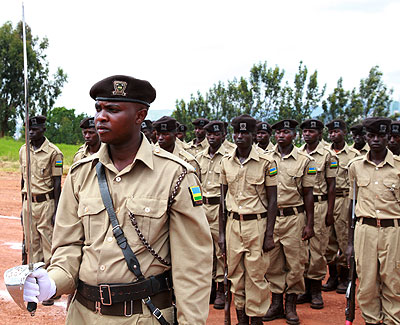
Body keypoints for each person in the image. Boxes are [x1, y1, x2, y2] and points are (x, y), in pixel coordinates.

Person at [23, 75, 213, 324]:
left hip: (142, 317)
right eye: (98, 109)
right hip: (83, 315)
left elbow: (192, 266)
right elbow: (67, 248)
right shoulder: (81, 174)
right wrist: (52, 282)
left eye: (113, 110)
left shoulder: (175, 175)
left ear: (139, 116)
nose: (100, 117)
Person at [219, 114, 278, 325]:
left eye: (245, 133)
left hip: (257, 225)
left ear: (254, 135)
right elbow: (222, 201)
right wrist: (221, 234)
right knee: (235, 275)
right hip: (233, 224)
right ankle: (242, 317)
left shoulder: (267, 162)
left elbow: (273, 201)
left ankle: (256, 319)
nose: (240, 136)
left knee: (256, 275)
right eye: (237, 132)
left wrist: (269, 234)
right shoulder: (226, 162)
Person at [347, 117, 400, 325]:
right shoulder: (355, 167)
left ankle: (392, 321)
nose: (376, 140)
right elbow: (352, 206)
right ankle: (371, 321)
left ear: (389, 137)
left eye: (381, 136)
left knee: (393, 281)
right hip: (365, 230)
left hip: (393, 230)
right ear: (367, 137)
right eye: (371, 136)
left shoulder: (398, 167)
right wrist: (350, 243)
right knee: (366, 282)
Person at [263, 119, 315, 325]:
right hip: (272, 219)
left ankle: (291, 305)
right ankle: (276, 304)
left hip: (294, 218)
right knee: (273, 263)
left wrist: (310, 224)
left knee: (296, 263)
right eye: (278, 133)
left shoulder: (305, 160)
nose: (280, 136)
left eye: (285, 132)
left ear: (294, 135)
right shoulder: (266, 158)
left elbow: (308, 193)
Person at [19, 115, 63, 306]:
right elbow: (23, 179)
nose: (30, 133)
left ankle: (52, 288)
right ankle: (36, 285)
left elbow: (57, 184)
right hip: (28, 202)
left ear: (43, 130)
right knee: (32, 244)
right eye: (28, 129)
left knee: (48, 244)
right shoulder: (23, 150)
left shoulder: (54, 153)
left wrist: (56, 211)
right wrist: (23, 206)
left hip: (46, 203)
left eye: (34, 130)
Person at [298, 119, 337, 309]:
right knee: (301, 248)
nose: (307, 134)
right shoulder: (298, 153)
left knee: (318, 248)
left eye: (311, 131)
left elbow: (332, 186)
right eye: (305, 131)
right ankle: (304, 288)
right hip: (301, 206)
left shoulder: (328, 155)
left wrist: (330, 212)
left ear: (320, 134)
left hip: (320, 204)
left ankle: (315, 290)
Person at [196, 120, 230, 310]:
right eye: (209, 135)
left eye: (215, 135)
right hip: (202, 208)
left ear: (223, 136)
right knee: (203, 250)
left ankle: (220, 289)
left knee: (221, 251)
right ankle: (207, 287)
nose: (211, 138)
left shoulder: (228, 156)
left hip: (220, 208)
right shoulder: (200, 158)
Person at [323, 119, 359, 294]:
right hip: (326, 200)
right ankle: (332, 277)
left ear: (344, 132)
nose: (333, 135)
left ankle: (345, 278)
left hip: (345, 199)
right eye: (330, 132)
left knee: (344, 237)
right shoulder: (324, 153)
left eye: (336, 131)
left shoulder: (353, 155)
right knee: (328, 239)